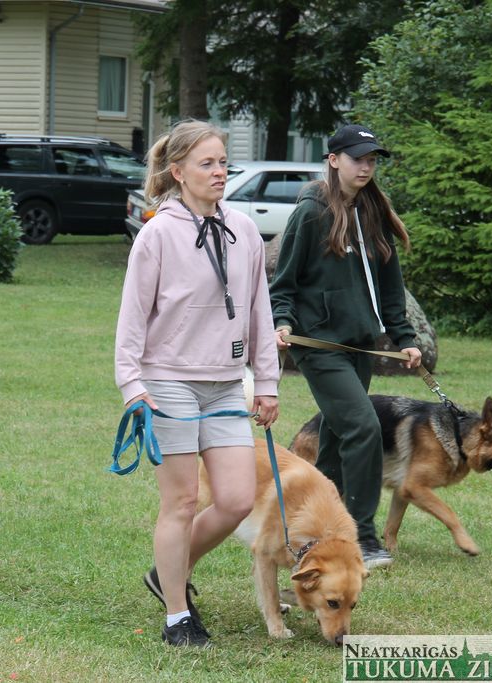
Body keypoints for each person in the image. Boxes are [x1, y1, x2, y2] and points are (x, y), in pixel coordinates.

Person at [115, 120, 280, 647]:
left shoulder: (244, 230)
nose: (219, 172)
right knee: (182, 502)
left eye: (223, 162)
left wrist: (267, 381)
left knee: (235, 500)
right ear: (178, 172)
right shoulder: (158, 233)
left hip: (227, 383)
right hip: (168, 382)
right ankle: (177, 616)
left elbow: (259, 309)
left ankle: (167, 572)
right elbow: (132, 318)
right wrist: (132, 385)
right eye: (206, 163)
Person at [269, 123, 422, 570]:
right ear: (334, 160)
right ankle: (364, 537)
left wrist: (405, 338)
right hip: (318, 345)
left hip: (360, 346)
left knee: (336, 444)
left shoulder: (373, 214)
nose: (366, 167)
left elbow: (390, 286)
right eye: (358, 159)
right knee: (363, 428)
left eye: (372, 160)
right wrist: (282, 321)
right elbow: (284, 280)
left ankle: (312, 528)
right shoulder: (311, 212)